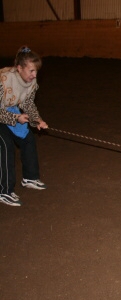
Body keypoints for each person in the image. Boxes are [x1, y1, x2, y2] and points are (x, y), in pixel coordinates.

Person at [0, 46, 49, 206]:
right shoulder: (3, 80)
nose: (34, 75)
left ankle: (30, 177)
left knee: (27, 138)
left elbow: (28, 104)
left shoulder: (31, 83)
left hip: (10, 111)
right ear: (19, 68)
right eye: (31, 71)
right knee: (5, 146)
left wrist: (37, 120)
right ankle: (4, 191)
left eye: (36, 71)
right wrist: (15, 118)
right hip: (3, 114)